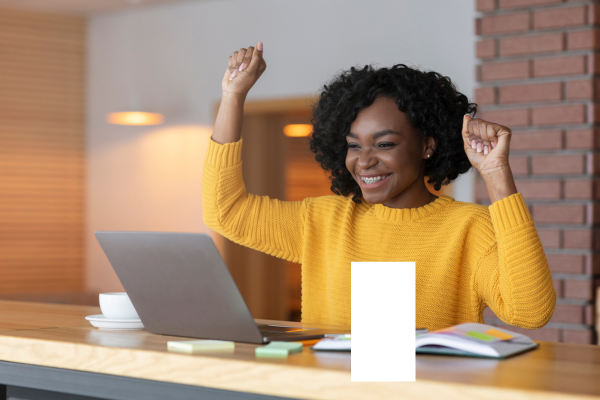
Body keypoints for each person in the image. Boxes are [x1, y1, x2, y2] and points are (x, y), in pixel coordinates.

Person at [202, 42, 556, 331]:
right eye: (354, 145)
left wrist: (495, 173)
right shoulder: (323, 221)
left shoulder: (468, 228)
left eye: (384, 144)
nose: (365, 160)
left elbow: (530, 312)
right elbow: (225, 211)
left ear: (427, 145)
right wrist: (232, 96)